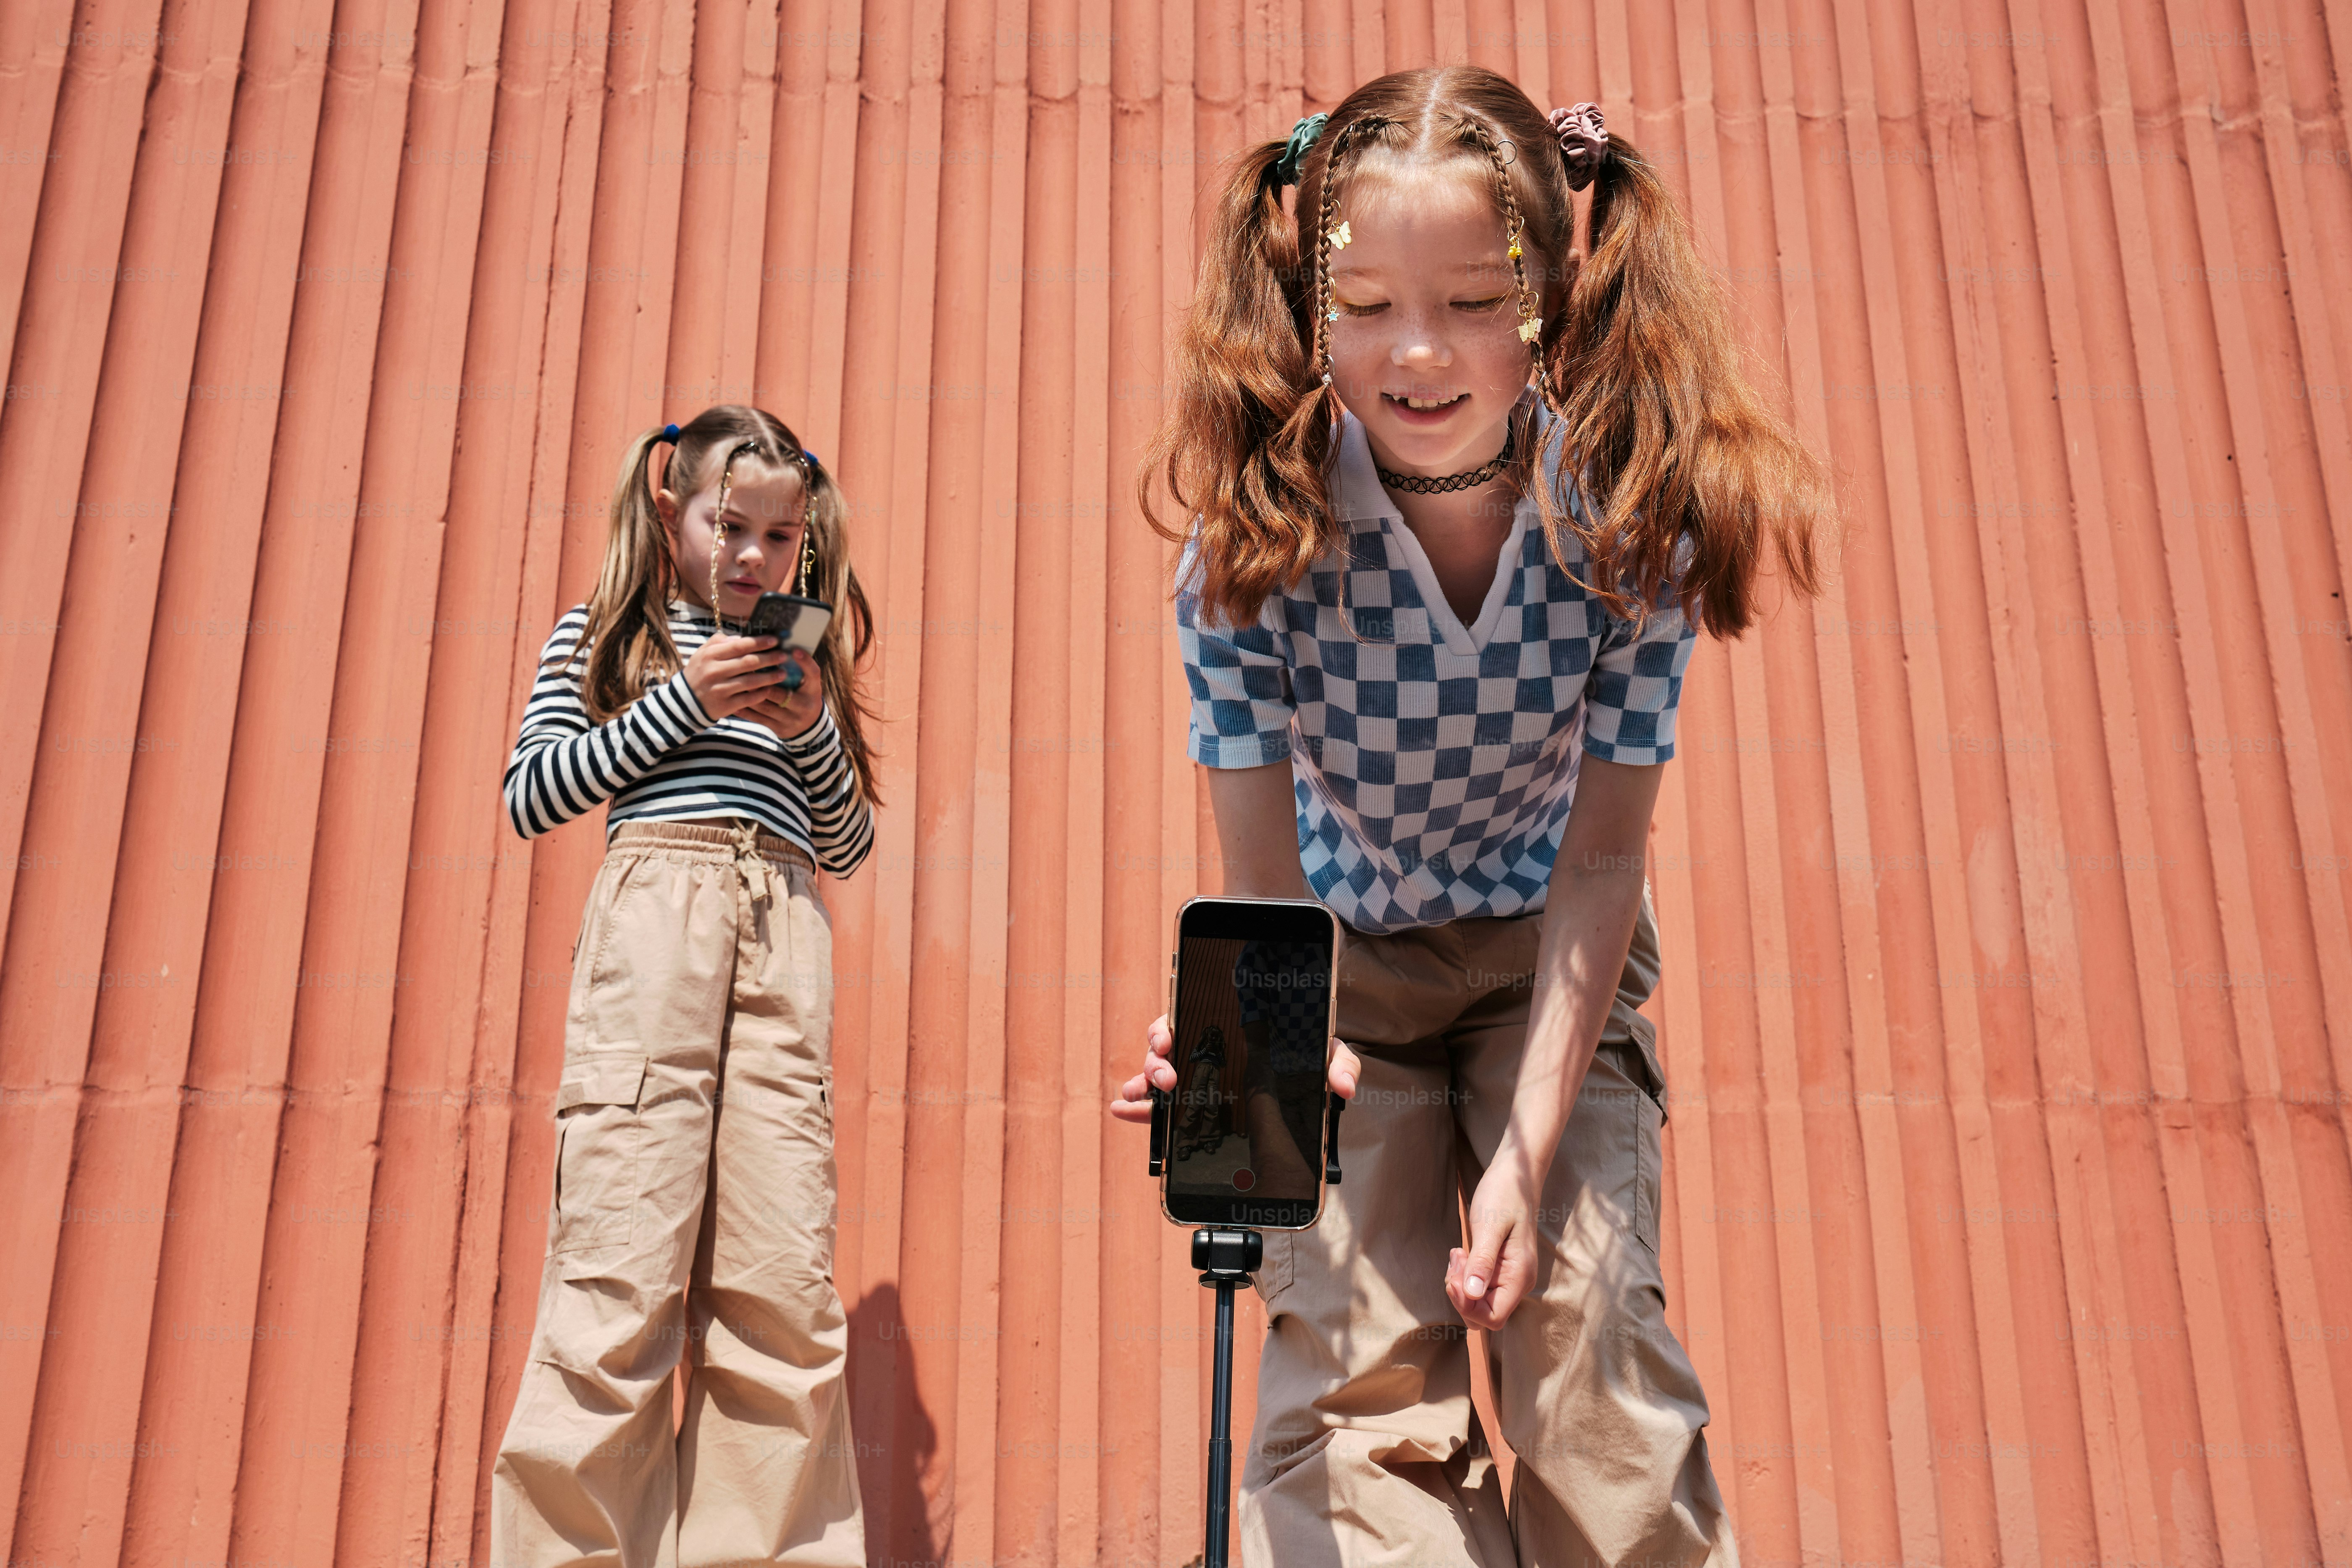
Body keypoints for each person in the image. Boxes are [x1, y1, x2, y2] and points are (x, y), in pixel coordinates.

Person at [1112, 66, 1828, 1566]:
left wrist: (1528, 1155)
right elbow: (1263, 896)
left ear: (1555, 300)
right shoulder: (1256, 546)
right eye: (1364, 305)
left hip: (1544, 961)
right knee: (1357, 1399)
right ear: (1309, 306)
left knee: (1589, 1358)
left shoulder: (1629, 521)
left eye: (1474, 302)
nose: (1417, 352)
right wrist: (1249, 1061)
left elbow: (1608, 859)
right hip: (1348, 976)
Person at [492, 405, 881, 1566]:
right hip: (655, 923)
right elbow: (534, 793)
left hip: (780, 924)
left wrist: (811, 729)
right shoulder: (612, 634)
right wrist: (684, 702)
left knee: (781, 1287)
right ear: (675, 515)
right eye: (732, 526)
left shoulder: (801, 667)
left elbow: (851, 845)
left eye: (780, 536)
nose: (756, 556)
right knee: (620, 1275)